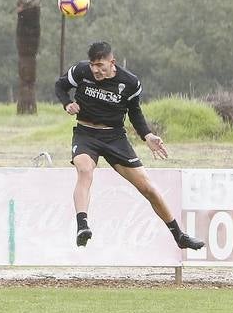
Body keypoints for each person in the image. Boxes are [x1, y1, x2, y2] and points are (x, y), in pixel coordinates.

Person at [54, 40, 204, 250]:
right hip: (85, 134)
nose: (96, 70)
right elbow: (60, 86)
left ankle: (179, 236)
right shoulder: (81, 71)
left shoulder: (130, 82)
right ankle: (82, 226)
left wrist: (148, 136)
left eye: (100, 66)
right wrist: (67, 103)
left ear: (112, 62)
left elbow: (134, 112)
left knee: (147, 188)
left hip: (115, 138)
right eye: (93, 65)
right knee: (85, 170)